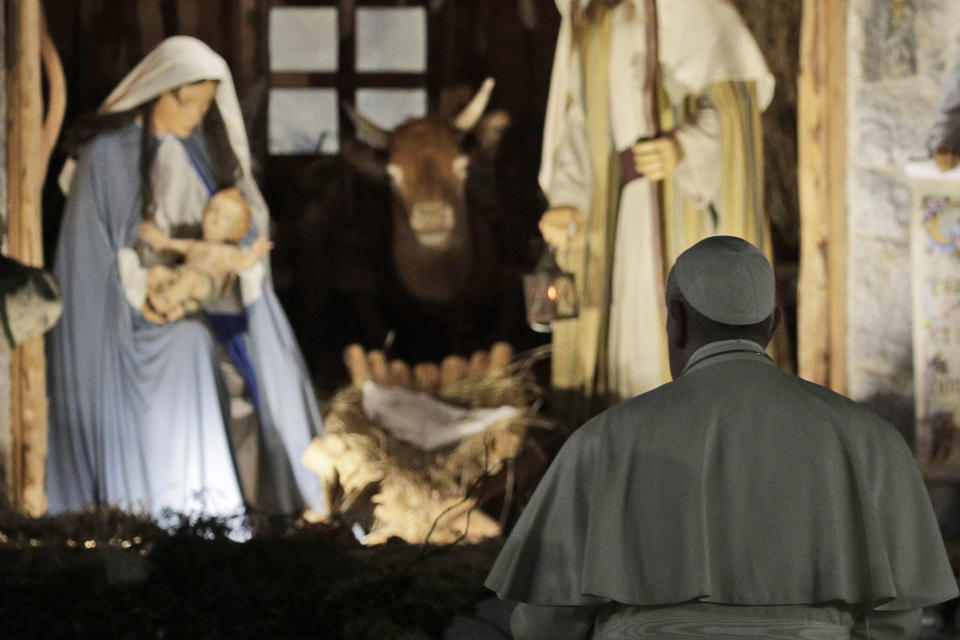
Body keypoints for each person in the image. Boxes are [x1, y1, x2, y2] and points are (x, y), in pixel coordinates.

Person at [487, 235, 958, 639]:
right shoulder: (870, 440)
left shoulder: (601, 442)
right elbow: (896, 621)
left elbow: (547, 620)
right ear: (773, 324)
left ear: (677, 319)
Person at [47, 36, 325, 521]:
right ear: (159, 90)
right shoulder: (108, 153)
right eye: (187, 100)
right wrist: (142, 285)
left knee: (196, 347)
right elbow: (98, 255)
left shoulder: (192, 147)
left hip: (162, 303)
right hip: (110, 316)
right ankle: (168, 506)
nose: (196, 114)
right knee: (190, 346)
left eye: (204, 103)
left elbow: (232, 218)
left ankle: (205, 509)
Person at [537, 0, 778, 413]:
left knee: (687, 324)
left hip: (686, 202)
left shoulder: (693, 8)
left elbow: (736, 99)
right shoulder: (591, 15)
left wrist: (687, 145)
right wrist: (568, 199)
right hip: (621, 212)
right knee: (628, 339)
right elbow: (579, 124)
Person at [138, 187, 273, 323]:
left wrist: (255, 252)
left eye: (226, 218)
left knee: (190, 279)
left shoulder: (227, 252)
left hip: (205, 284)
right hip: (182, 274)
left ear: (235, 230)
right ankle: (156, 298)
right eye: (213, 211)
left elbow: (244, 264)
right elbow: (166, 244)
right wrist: (153, 236)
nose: (215, 219)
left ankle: (165, 304)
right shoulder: (196, 245)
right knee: (158, 272)